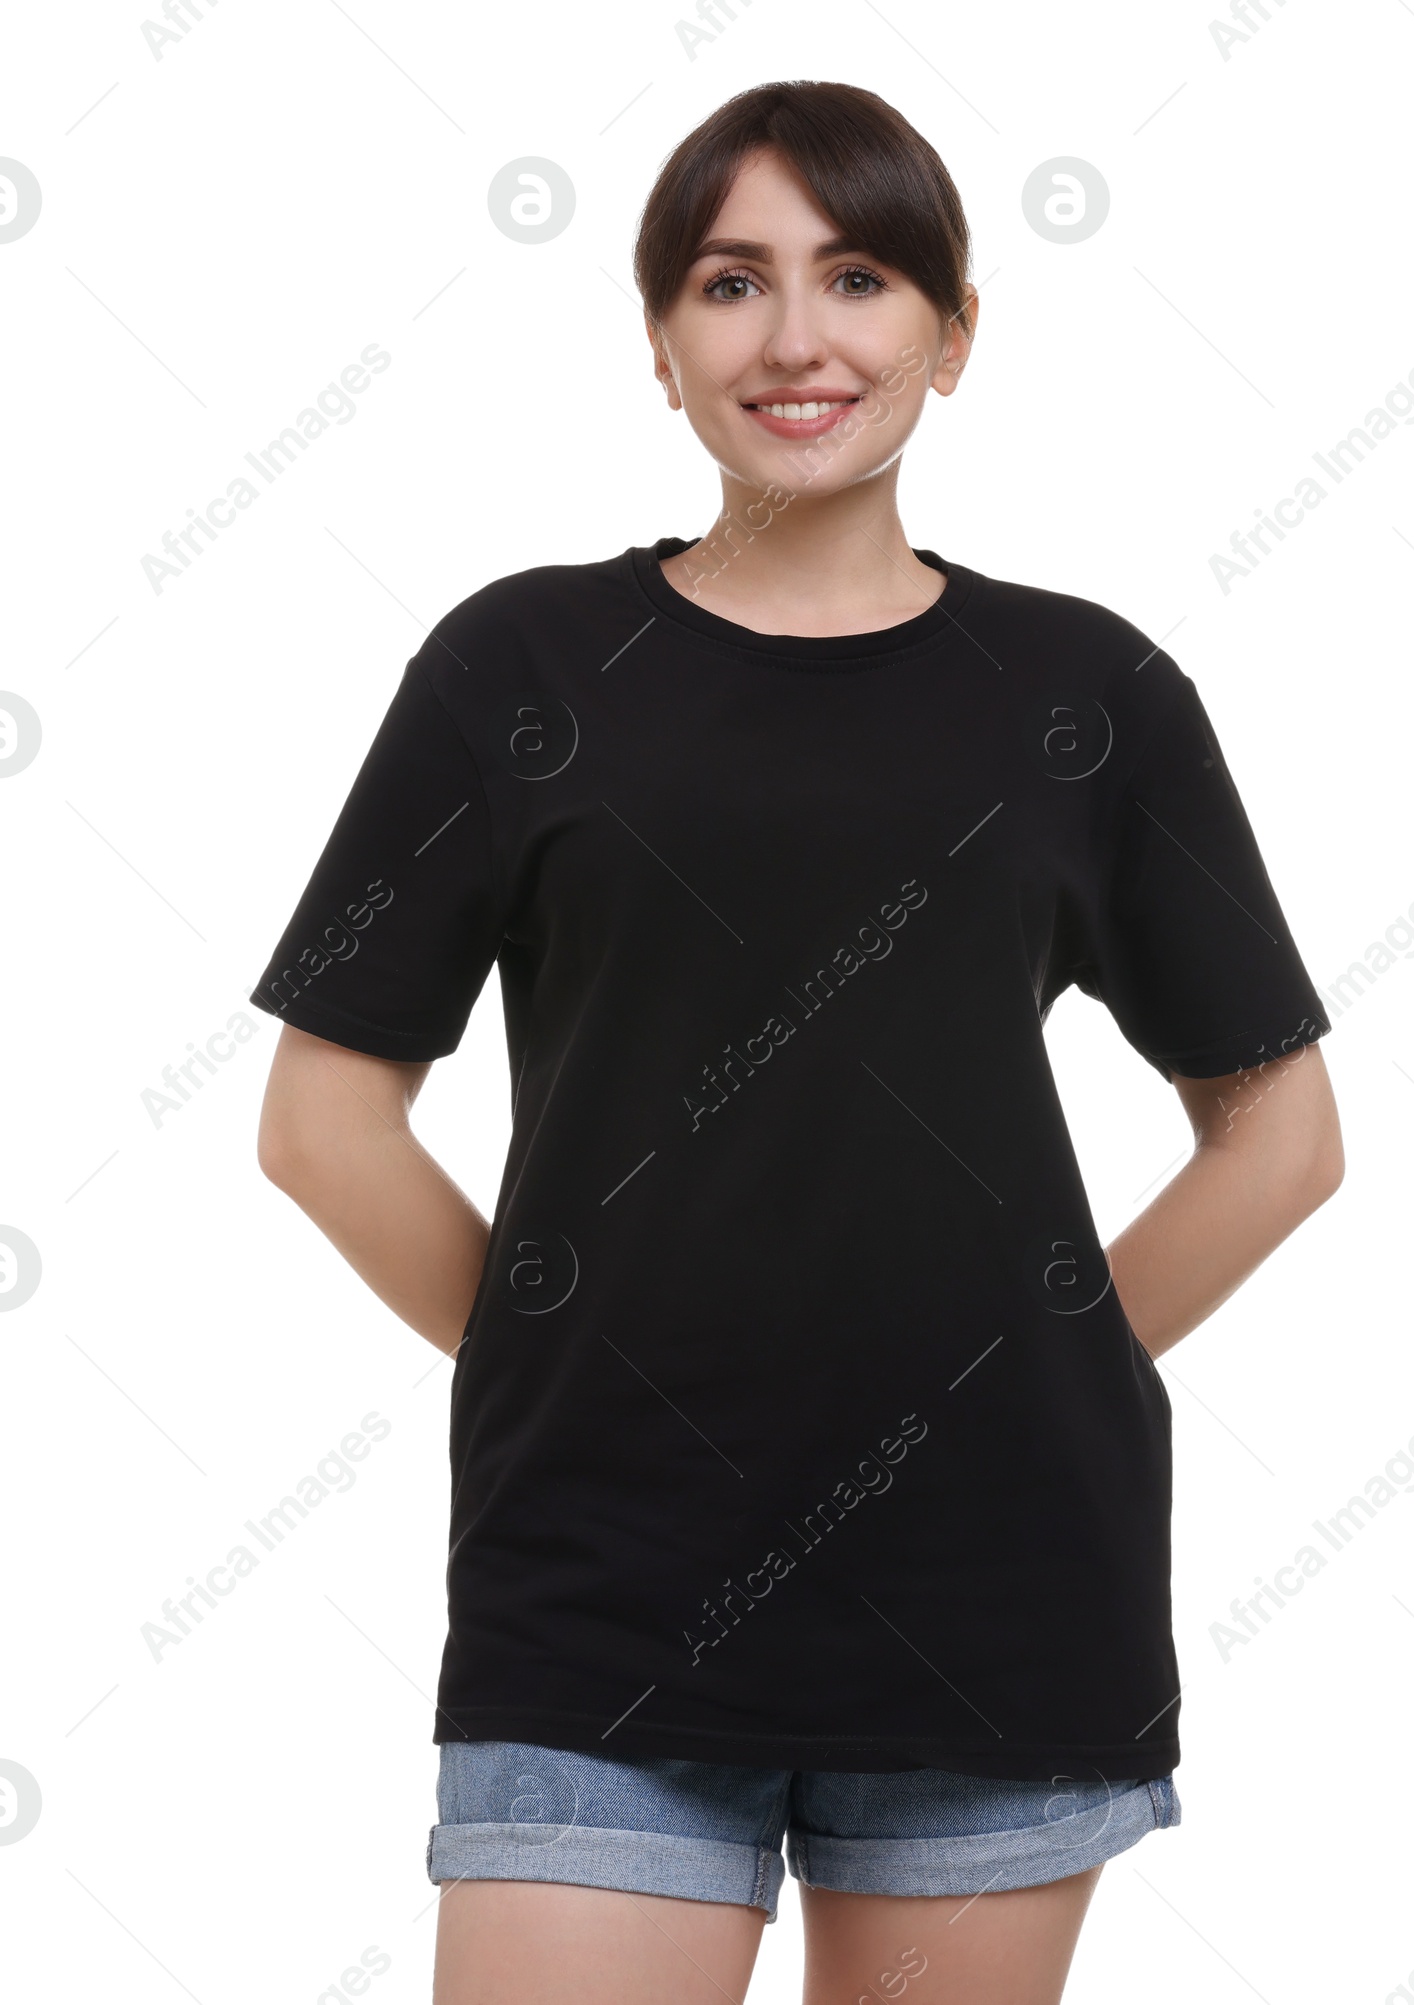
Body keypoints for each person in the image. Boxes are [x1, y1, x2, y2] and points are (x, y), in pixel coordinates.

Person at [251, 79, 1343, 2005]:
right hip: (599, 1588)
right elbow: (323, 1114)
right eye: (730, 281)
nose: (796, 336)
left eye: (857, 275)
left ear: (954, 329)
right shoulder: (516, 669)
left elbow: (1281, 1132)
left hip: (995, 1593)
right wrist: (571, 1352)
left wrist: (1030, 1375)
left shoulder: (1091, 694)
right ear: (661, 347)